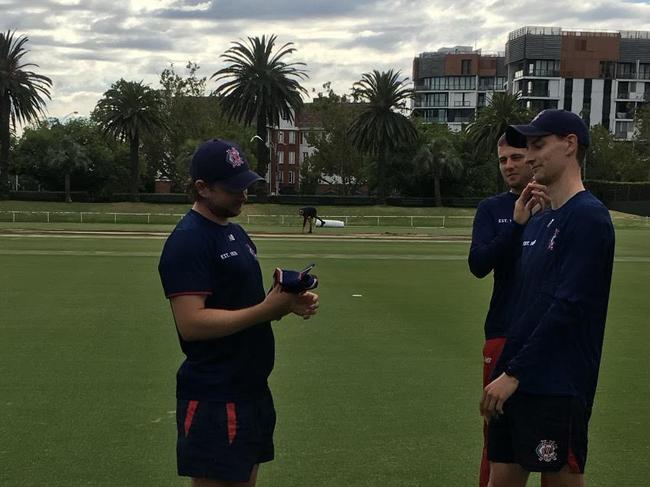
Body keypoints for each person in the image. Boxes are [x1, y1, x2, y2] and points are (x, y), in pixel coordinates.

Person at [158, 139, 319, 487]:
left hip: (250, 389)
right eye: (234, 188)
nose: (243, 195)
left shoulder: (236, 233)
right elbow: (192, 324)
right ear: (202, 188)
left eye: (246, 184)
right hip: (215, 395)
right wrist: (266, 309)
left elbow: (243, 307)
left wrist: (285, 304)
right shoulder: (188, 241)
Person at [480, 110, 615, 487]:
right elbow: (529, 304)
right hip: (516, 380)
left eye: (539, 145)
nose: (530, 155)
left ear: (570, 145)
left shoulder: (588, 218)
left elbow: (568, 307)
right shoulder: (542, 219)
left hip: (557, 386)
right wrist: (506, 371)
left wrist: (514, 373)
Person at [468, 132, 536, 487]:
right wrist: (516, 225)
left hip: (547, 333)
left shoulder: (558, 206)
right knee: (496, 432)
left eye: (516, 157)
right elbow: (478, 264)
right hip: (502, 332)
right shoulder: (492, 209)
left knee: (552, 438)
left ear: (534, 157)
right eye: (503, 160)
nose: (509, 165)